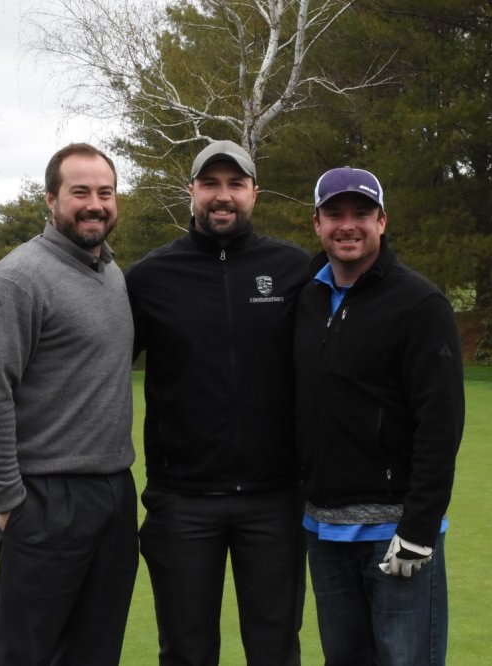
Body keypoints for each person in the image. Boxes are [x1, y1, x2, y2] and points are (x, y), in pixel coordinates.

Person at [125, 140, 308, 666]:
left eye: (235, 184)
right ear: (191, 192)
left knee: (275, 651)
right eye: (210, 184)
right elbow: (100, 368)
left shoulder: (293, 269)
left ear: (254, 193)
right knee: (186, 652)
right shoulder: (150, 277)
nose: (222, 196)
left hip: (275, 499)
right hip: (181, 500)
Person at [0, 143, 138, 665]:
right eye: (80, 192)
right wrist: (8, 503)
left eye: (105, 193)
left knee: (96, 651)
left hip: (114, 493)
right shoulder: (18, 278)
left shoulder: (112, 274)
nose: (95, 204)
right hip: (45, 498)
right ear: (51, 199)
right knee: (24, 653)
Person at [293, 167, 465, 666]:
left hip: (395, 533)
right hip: (324, 531)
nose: (348, 225)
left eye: (362, 214)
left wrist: (419, 529)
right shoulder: (306, 297)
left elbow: (441, 423)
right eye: (335, 214)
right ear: (317, 224)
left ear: (382, 221)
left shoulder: (419, 303)